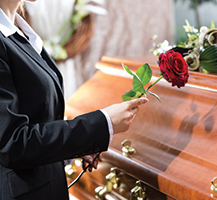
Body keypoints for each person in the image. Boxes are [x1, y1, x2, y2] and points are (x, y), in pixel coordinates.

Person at [0, 0, 148, 199]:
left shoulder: (20, 31)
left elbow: (39, 121)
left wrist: (73, 147)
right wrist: (103, 123)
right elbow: (13, 144)